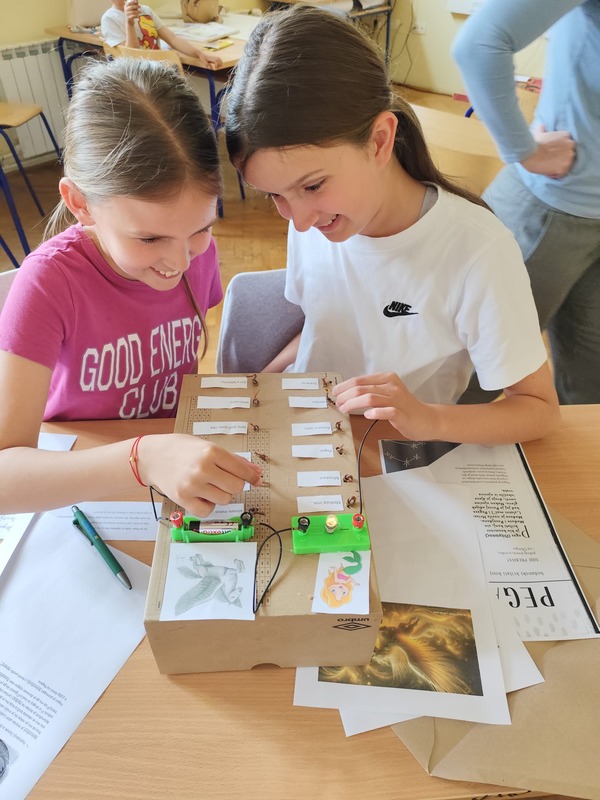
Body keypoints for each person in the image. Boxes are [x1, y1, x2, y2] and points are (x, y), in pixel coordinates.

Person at [224, 6, 559, 446]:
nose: (299, 222)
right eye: (275, 196)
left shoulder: (477, 251)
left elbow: (538, 410)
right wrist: (258, 386)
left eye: (313, 185)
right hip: (307, 434)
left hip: (397, 454)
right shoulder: (314, 216)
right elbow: (325, 327)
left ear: (380, 141)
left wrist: (428, 420)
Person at [0, 58, 261, 515]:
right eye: (149, 239)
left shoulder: (196, 254)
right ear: (80, 203)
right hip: (82, 486)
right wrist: (142, 459)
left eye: (201, 228)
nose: (180, 263)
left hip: (169, 473)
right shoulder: (48, 283)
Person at [452, 0, 600, 405]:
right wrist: (524, 150)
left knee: (587, 395)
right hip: (549, 209)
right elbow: (479, 44)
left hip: (578, 213)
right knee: (463, 381)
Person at [101, 0, 223, 69]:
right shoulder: (109, 19)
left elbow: (172, 38)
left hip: (159, 73)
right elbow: (130, 57)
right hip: (138, 78)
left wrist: (199, 54)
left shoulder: (146, 11)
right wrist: (130, 24)